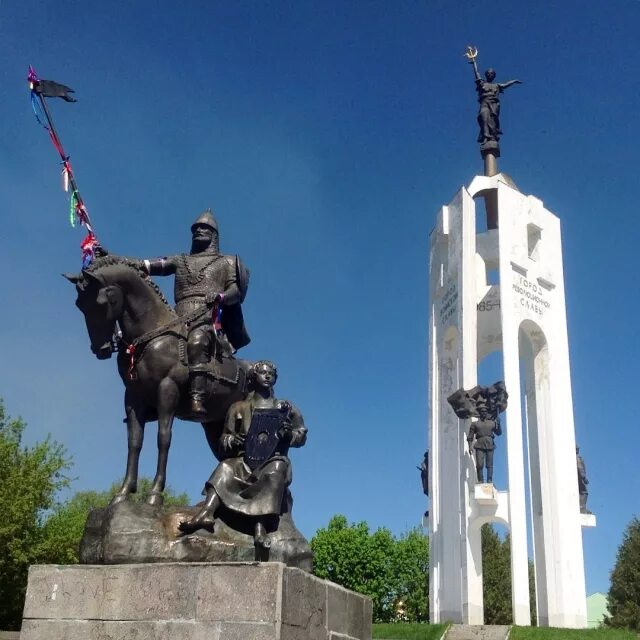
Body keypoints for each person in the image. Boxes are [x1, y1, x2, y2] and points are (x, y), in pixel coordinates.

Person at [178, 360, 307, 550]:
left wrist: (289, 435)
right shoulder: (238, 408)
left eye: (271, 373)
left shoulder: (286, 408)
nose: (267, 375)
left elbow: (301, 434)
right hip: (244, 461)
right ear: (253, 378)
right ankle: (207, 513)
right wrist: (232, 441)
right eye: (262, 372)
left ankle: (260, 528)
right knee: (225, 468)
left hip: (272, 460)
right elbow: (224, 439)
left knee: (277, 469)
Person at [140, 209, 250, 416]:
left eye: (205, 228)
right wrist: (116, 260)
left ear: (214, 235)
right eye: (196, 228)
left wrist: (221, 297)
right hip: (177, 317)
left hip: (207, 317)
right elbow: (151, 265)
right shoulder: (180, 260)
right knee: (151, 346)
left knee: (197, 341)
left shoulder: (226, 261)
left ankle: (196, 397)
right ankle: (151, 399)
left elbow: (235, 291)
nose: (199, 230)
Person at [474, 68, 522, 144]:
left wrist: (514, 81)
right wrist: (474, 62)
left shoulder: (497, 85)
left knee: (492, 121)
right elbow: (477, 74)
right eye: (489, 73)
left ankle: (492, 135)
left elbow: (506, 84)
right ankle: (486, 136)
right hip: (484, 103)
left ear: (494, 76)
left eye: (492, 73)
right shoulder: (482, 84)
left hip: (494, 104)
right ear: (486, 75)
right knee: (484, 118)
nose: (490, 75)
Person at [467, 405, 502, 483]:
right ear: (479, 413)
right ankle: (480, 480)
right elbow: (470, 436)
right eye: (482, 412)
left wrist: (499, 424)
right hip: (479, 444)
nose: (484, 413)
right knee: (479, 464)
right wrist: (470, 446)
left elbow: (499, 433)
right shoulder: (475, 424)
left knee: (489, 464)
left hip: (489, 444)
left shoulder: (492, 423)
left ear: (487, 413)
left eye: (485, 412)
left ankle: (489, 480)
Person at [576, 447, 591, 514]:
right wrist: (584, 478)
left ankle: (581, 508)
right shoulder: (578, 458)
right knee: (584, 492)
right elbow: (580, 467)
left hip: (577, 478)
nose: (578, 449)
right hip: (579, 478)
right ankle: (582, 508)